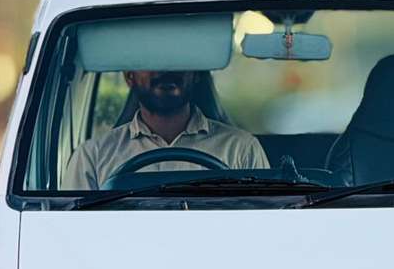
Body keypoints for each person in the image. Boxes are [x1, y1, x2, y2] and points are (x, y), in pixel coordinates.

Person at [63, 70, 269, 189]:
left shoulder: (241, 149)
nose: (166, 70)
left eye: (178, 59)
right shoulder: (92, 156)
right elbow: (73, 232)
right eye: (151, 60)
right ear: (129, 76)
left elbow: (262, 226)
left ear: (196, 74)